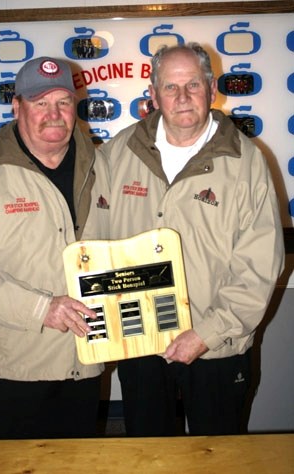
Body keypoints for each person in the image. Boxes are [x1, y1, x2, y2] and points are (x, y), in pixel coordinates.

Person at [98, 42, 284, 436]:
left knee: (217, 456)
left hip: (217, 345)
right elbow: (95, 242)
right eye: (170, 87)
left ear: (211, 88)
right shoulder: (118, 153)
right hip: (141, 342)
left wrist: (206, 333)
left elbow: (260, 266)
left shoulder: (246, 162)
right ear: (152, 94)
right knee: (148, 453)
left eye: (193, 85)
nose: (182, 98)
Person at [0, 56, 110, 440]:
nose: (54, 114)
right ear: (17, 106)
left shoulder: (101, 165)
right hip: (11, 367)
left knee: (77, 465)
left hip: (83, 358)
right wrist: (42, 309)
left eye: (63, 102)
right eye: (40, 102)